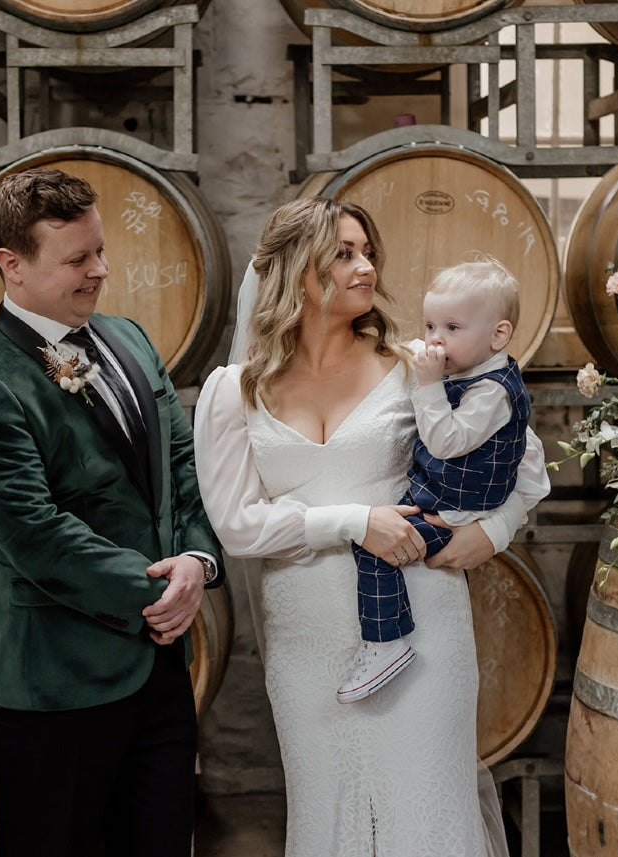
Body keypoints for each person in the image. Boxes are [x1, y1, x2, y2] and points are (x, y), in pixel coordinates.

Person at [193, 197, 549, 857]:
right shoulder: (231, 390)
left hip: (421, 626)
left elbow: (526, 470)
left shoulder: (416, 364)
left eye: (367, 251)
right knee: (327, 813)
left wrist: (491, 534)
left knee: (425, 811)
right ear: (295, 270)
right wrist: (355, 521)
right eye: (344, 253)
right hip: (305, 639)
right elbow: (236, 527)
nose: (366, 266)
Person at [0, 167, 224, 857]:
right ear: (13, 264)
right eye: (76, 259)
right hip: (54, 685)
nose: (99, 270)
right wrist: (162, 591)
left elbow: (182, 471)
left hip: (159, 670)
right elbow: (35, 533)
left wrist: (197, 559)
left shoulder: (128, 338)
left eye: (99, 250)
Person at [340, 257, 530, 704]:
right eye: (429, 326)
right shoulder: (471, 370)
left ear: (498, 335)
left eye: (451, 328)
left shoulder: (492, 389)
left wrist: (427, 385)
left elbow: (447, 441)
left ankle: (387, 643)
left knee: (372, 551)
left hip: (457, 509)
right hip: (440, 495)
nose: (434, 341)